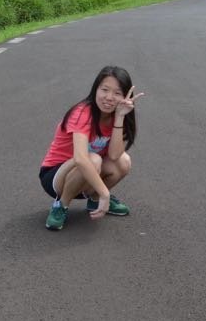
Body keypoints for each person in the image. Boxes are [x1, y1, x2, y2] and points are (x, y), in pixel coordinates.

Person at [39, 66, 145, 231]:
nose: (109, 97)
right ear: (96, 89)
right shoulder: (82, 112)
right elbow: (81, 159)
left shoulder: (117, 115)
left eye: (117, 93)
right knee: (92, 159)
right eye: (105, 90)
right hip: (55, 176)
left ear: (125, 96)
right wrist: (105, 193)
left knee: (124, 161)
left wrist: (119, 117)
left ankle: (94, 201)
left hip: (86, 174)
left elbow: (115, 155)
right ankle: (61, 205)